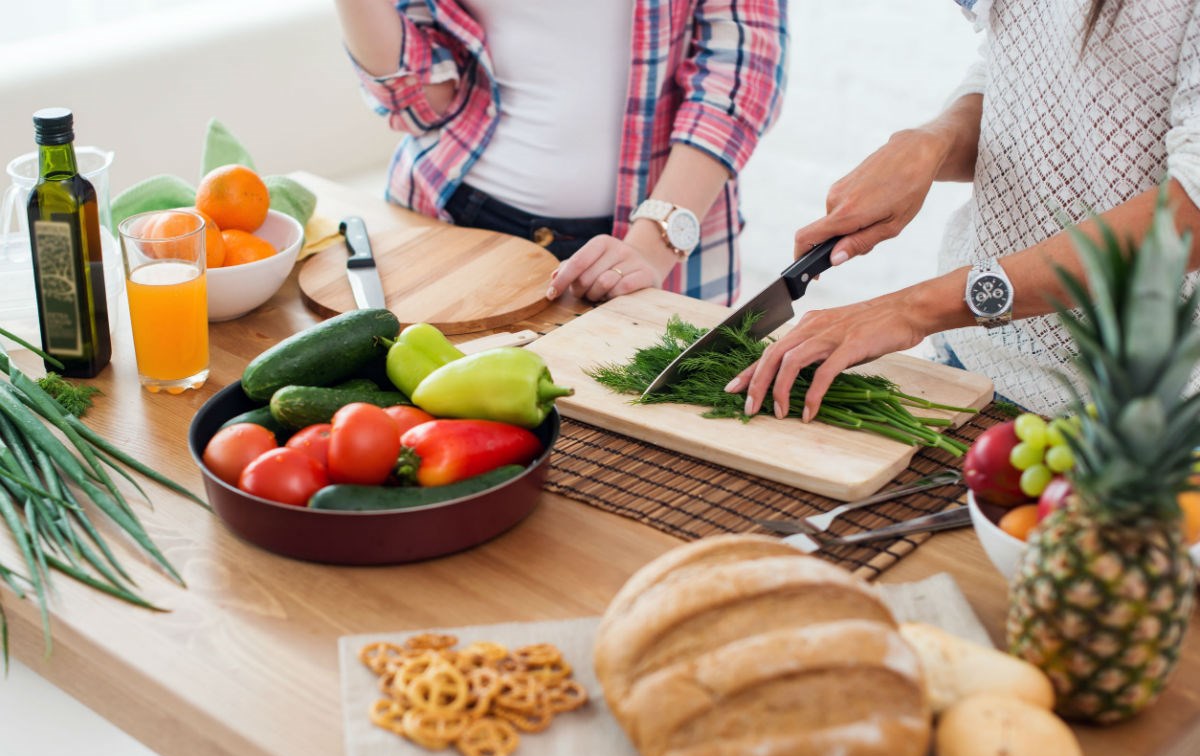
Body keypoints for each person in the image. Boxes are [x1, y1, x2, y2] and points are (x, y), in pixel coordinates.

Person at [726, 0, 1200, 420]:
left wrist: (912, 309)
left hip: (1150, 415)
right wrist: (934, 142)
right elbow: (1013, 65)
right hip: (972, 366)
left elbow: (1191, 216)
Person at [333, 0, 787, 307]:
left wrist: (654, 245)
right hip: (450, 218)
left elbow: (741, 76)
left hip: (648, 242)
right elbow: (423, 103)